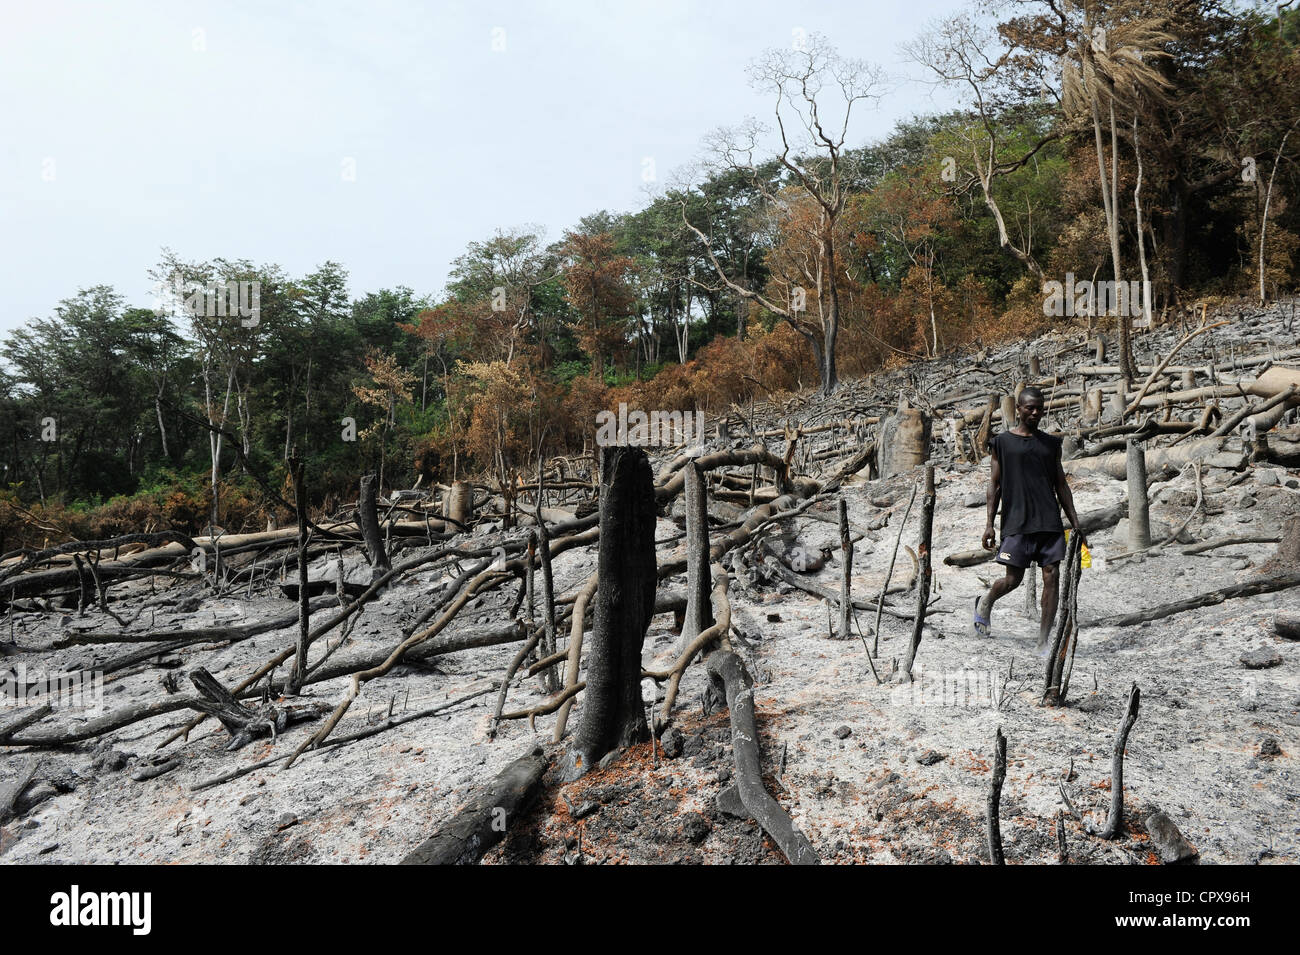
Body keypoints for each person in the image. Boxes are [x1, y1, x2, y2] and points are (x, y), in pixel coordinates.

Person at [973, 386, 1085, 649]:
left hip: (1048, 520)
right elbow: (994, 485)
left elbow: (1061, 485)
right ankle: (986, 601)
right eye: (1030, 408)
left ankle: (1043, 641)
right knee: (1013, 579)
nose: (1035, 412)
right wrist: (989, 524)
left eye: (1039, 408)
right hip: (1016, 521)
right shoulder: (1001, 443)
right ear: (1019, 409)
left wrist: (1075, 522)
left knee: (1052, 574)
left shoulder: (1050, 444)